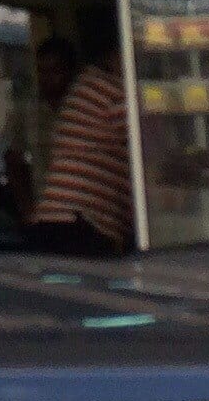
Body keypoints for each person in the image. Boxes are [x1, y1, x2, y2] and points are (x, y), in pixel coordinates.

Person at [24, 34, 136, 256]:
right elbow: (151, 153)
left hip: (54, 217)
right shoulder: (115, 93)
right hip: (84, 222)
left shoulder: (86, 85)